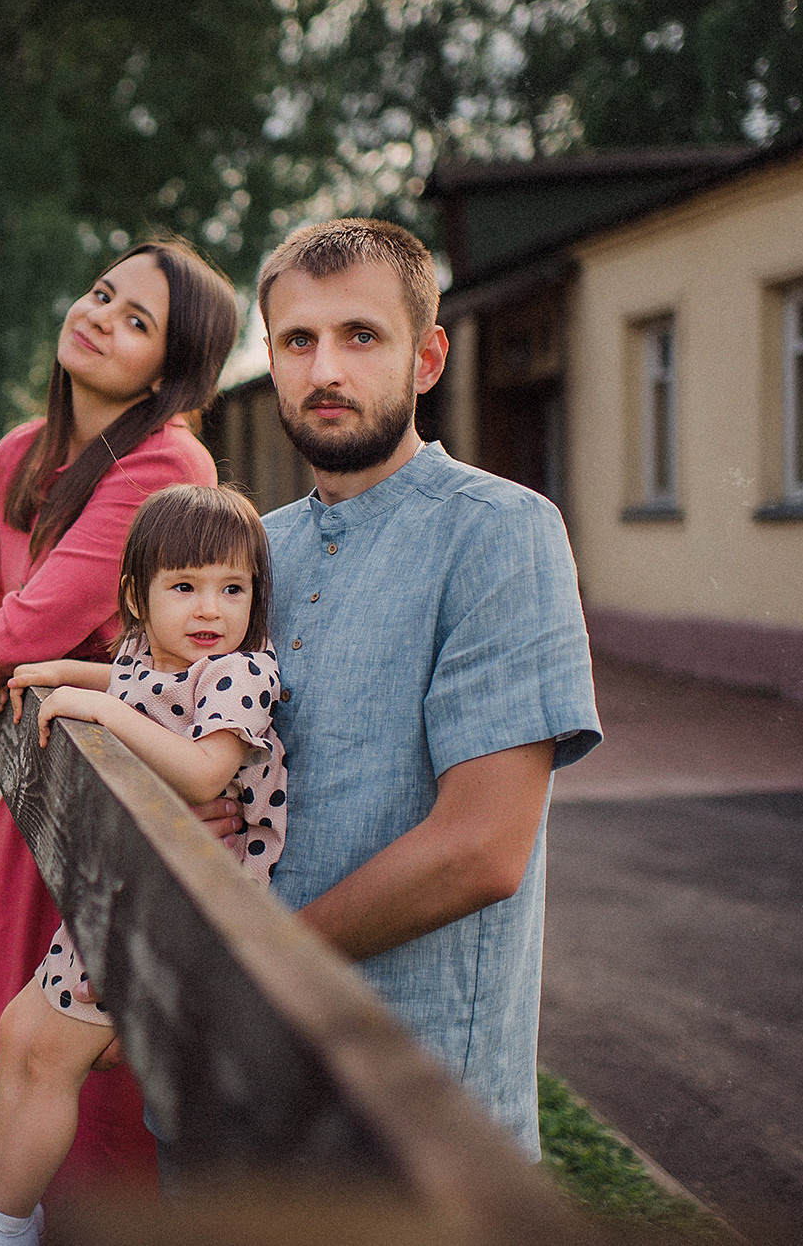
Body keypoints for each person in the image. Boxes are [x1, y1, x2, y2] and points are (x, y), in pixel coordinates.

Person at [255, 217, 601, 1158]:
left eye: (360, 335)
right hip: (244, 1100)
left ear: (428, 358)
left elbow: (482, 848)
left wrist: (251, 965)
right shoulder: (259, 548)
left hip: (420, 1126)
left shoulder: (500, 533)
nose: (326, 368)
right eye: (299, 340)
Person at [0, 484, 285, 1245]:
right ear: (138, 600)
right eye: (185, 587)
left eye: (232, 588)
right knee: (21, 1028)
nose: (210, 609)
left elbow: (207, 769)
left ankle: (6, 1226)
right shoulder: (167, 661)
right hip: (131, 893)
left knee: (50, 1053)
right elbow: (130, 682)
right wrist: (57, 670)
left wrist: (102, 711)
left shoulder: (239, 672)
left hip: (180, 915)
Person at [0, 237, 242, 1198]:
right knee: (1, 1036)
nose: (99, 316)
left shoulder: (169, 459)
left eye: (136, 320)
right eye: (101, 292)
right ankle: (2, 1216)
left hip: (126, 803)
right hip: (41, 786)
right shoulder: (17, 456)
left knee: (89, 1077)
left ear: (171, 367)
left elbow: (38, 615)